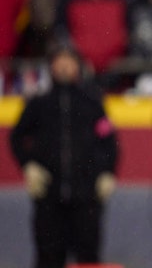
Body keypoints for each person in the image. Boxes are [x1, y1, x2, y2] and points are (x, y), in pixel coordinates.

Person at [9, 43, 119, 268]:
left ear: (78, 65)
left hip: (86, 196)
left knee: (88, 257)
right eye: (59, 60)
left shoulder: (92, 101)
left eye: (69, 60)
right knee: (48, 257)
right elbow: (17, 137)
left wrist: (108, 172)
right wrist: (27, 165)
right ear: (51, 66)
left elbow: (109, 140)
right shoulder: (39, 103)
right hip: (48, 195)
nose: (64, 66)